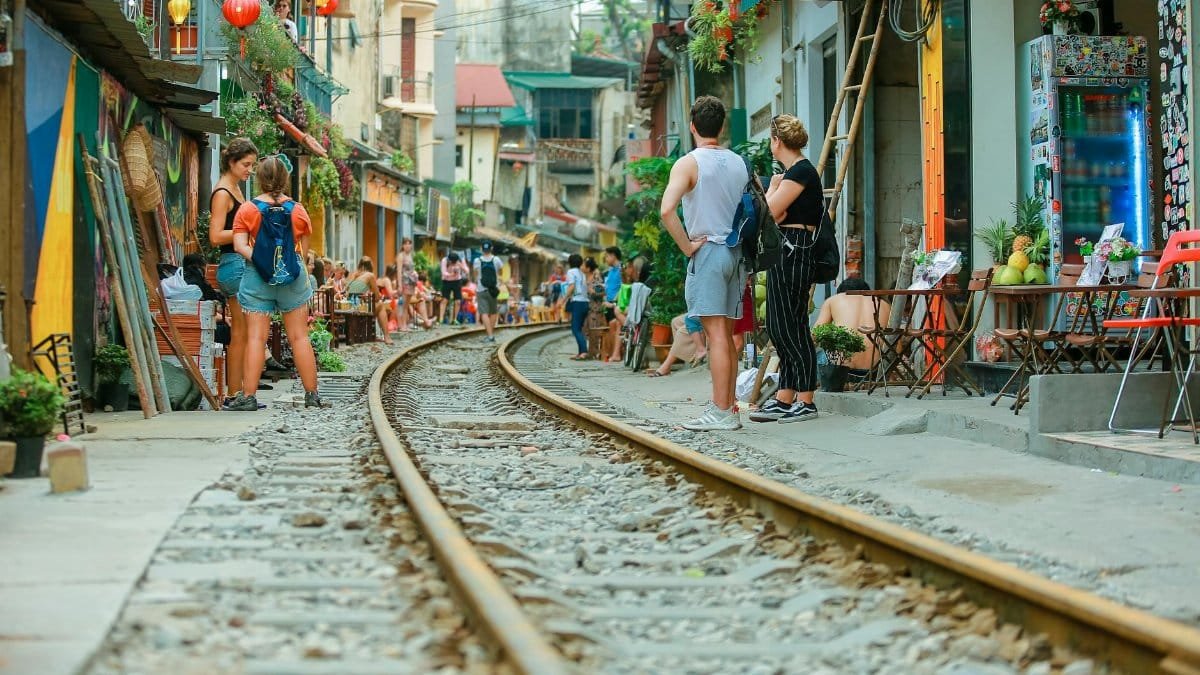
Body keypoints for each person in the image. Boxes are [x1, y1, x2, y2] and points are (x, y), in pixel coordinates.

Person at [658, 96, 749, 431]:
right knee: (726, 334)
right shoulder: (739, 163)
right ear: (722, 126)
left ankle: (720, 410)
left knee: (716, 335)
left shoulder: (689, 163)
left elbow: (667, 210)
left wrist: (687, 247)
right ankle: (729, 409)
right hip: (736, 253)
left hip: (708, 252)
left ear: (693, 126)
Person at [225, 155, 323, 411]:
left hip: (258, 278)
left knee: (256, 338)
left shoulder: (247, 209)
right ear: (285, 179)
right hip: (292, 276)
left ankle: (248, 396)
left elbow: (239, 245)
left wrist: (262, 260)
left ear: (260, 179)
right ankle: (311, 395)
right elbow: (303, 252)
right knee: (299, 337)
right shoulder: (298, 210)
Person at [749, 114, 824, 424]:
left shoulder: (799, 172)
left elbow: (770, 213)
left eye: (770, 140)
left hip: (795, 249)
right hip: (788, 248)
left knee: (789, 327)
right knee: (783, 325)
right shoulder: (795, 172)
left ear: (776, 141)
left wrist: (773, 188)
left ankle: (805, 399)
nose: (770, 145)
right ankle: (785, 396)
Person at [209, 138, 258, 407]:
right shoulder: (223, 193)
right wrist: (248, 234)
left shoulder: (235, 189)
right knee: (244, 331)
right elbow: (215, 236)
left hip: (238, 264)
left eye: (252, 164)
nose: (250, 169)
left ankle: (235, 392)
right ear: (231, 162)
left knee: (241, 331)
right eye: (246, 164)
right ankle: (234, 393)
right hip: (233, 264)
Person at [814, 277, 889, 379]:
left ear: (841, 293)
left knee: (815, 355)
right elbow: (896, 346)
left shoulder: (833, 300)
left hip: (841, 372)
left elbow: (815, 336)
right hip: (877, 373)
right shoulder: (885, 305)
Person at [347, 256, 392, 345]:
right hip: (358, 306)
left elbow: (348, 291)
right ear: (371, 266)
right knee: (381, 306)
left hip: (348, 304)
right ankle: (386, 336)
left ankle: (373, 334)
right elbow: (377, 296)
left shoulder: (353, 274)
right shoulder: (370, 275)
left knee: (376, 306)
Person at [473, 242, 503, 342]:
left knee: (483, 312)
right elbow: (500, 272)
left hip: (481, 289)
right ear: (492, 248)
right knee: (493, 312)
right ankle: (491, 334)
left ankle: (490, 335)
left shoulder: (477, 260)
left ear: (481, 249)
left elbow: (475, 274)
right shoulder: (496, 260)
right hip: (493, 289)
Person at [563, 253, 590, 359]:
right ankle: (580, 352)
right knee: (579, 328)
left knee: (575, 329)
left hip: (577, 302)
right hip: (584, 302)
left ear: (570, 263)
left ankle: (583, 352)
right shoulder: (582, 273)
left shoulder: (571, 272)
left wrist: (563, 299)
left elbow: (572, 286)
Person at [602, 248, 626, 362]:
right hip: (608, 303)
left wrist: (614, 303)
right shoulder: (611, 270)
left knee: (616, 327)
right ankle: (613, 353)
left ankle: (617, 354)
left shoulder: (622, 269)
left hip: (616, 304)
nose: (605, 259)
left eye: (607, 256)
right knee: (612, 328)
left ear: (613, 255)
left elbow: (622, 287)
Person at [440, 249, 469, 324]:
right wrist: (451, 274)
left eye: (454, 262)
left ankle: (455, 319)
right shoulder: (444, 260)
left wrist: (461, 266)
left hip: (457, 281)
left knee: (458, 301)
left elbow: (467, 271)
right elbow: (443, 272)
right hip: (446, 281)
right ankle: (441, 319)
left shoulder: (460, 260)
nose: (453, 264)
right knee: (444, 300)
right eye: (452, 262)